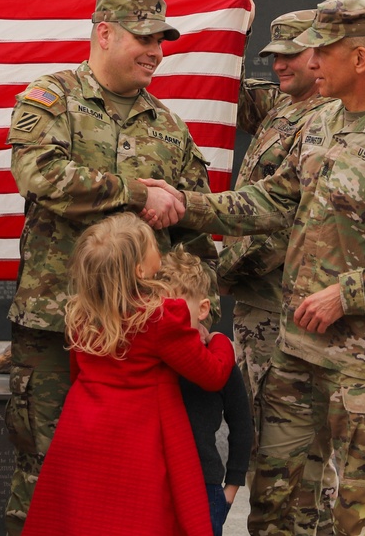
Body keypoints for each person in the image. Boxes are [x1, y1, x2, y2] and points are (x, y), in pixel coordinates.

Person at [143, 0, 365, 535]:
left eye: (321, 50)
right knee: (276, 500)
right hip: (298, 353)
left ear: (359, 58)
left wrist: (348, 294)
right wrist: (184, 202)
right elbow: (271, 200)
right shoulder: (320, 126)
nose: (309, 61)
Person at [3, 0, 220, 535]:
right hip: (59, 323)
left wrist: (200, 305)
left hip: (143, 342)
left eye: (161, 41)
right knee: (44, 467)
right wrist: (135, 194)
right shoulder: (52, 97)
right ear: (104, 33)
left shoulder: (170, 127)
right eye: (144, 38)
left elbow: (194, 227)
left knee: (132, 485)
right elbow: (40, 175)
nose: (155, 51)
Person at [20, 213, 234, 536]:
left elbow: (77, 371)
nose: (157, 246)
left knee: (82, 519)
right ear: (140, 269)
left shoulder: (81, 312)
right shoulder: (161, 319)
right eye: (151, 243)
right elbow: (213, 374)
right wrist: (220, 342)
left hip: (82, 432)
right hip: (141, 443)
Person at [220, 9, 336, 533]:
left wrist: (227, 265)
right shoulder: (287, 105)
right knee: (268, 438)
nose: (280, 65)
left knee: (296, 450)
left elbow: (293, 216)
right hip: (259, 306)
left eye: (292, 54)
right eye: (275, 55)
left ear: (322, 55)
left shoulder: (327, 120)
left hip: (285, 307)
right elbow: (233, 88)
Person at [160, 246, 252, 536]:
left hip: (205, 486)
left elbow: (241, 424)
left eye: (175, 306)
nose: (166, 316)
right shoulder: (152, 358)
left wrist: (231, 488)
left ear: (202, 309)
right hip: (156, 484)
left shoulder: (218, 361)